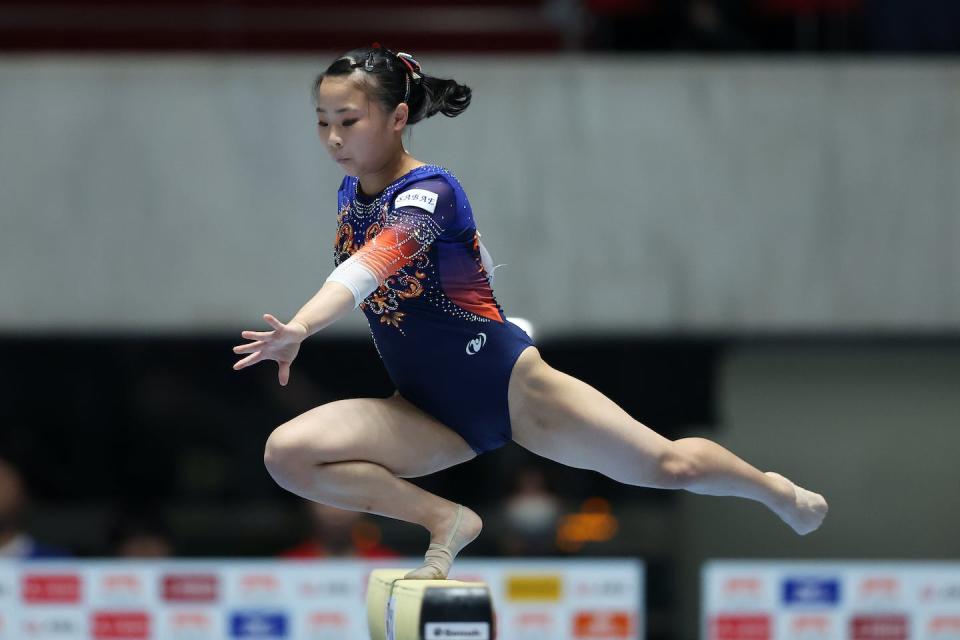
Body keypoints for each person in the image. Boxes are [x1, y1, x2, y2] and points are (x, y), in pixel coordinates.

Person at [233, 44, 828, 580]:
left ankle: (775, 492)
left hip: (508, 387)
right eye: (322, 123)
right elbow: (468, 260)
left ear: (397, 119)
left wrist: (303, 327)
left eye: (348, 121)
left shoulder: (430, 191)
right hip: (425, 411)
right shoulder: (353, 193)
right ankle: (447, 519)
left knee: (668, 464)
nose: (333, 138)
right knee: (288, 455)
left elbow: (369, 268)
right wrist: (475, 270)